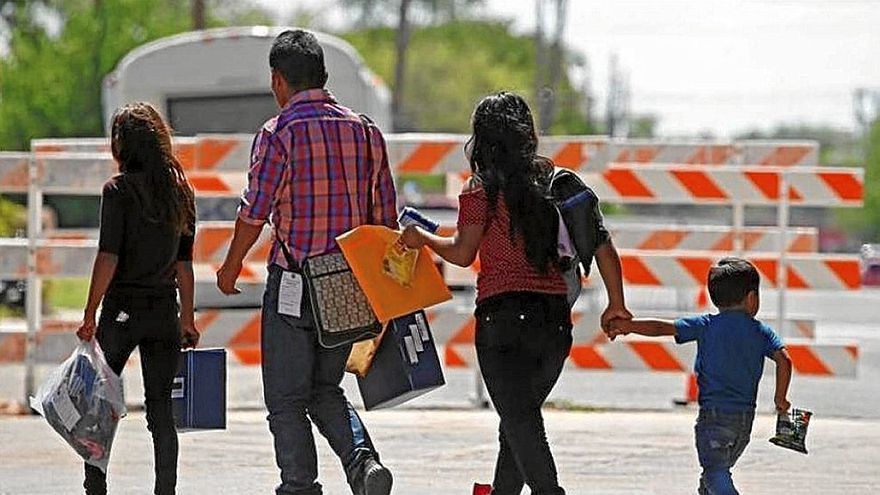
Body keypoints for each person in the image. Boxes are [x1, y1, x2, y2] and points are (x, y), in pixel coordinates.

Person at [402, 91, 632, 495]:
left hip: (501, 322)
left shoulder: (481, 190)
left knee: (522, 424)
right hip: (553, 324)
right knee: (517, 424)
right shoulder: (558, 184)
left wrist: (422, 237)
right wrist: (616, 305)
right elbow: (603, 246)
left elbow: (462, 252)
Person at [216, 30, 396, 495]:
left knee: (286, 399)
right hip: (349, 283)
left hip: (295, 282)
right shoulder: (366, 131)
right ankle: (363, 463)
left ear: (279, 80)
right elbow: (385, 222)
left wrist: (231, 267)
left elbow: (254, 212)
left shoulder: (279, 134)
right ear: (324, 75)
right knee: (325, 388)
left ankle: (299, 486)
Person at [76, 102, 200, 495]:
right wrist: (188, 320)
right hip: (164, 310)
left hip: (122, 311)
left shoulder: (118, 191)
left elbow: (108, 256)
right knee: (161, 409)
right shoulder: (180, 191)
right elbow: (184, 266)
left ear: (121, 145)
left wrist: (90, 311)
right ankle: (166, 489)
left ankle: (95, 485)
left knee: (100, 404)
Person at [606, 257, 793, 495]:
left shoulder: (706, 325)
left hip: (713, 418)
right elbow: (784, 360)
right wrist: (781, 399)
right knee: (714, 474)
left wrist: (628, 326)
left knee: (716, 471)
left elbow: (662, 327)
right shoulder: (761, 332)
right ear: (752, 298)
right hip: (745, 421)